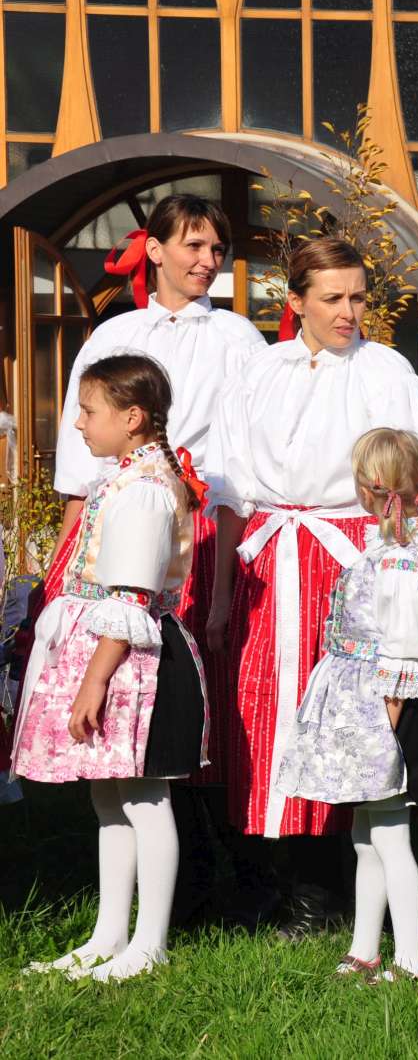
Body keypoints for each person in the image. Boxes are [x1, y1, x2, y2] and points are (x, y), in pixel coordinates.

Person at [209, 237, 418, 936]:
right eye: (333, 298)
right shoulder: (261, 371)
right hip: (270, 557)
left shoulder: (387, 372)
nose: (349, 312)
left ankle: (325, 887)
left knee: (345, 718)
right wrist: (221, 594)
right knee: (266, 712)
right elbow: (231, 488)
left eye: (359, 297)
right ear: (297, 302)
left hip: (351, 559)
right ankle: (265, 878)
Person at [40, 194, 267, 923]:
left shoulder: (237, 337)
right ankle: (155, 885)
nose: (207, 261)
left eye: (216, 248)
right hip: (120, 520)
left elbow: (244, 456)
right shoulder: (118, 333)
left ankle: (227, 871)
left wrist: (227, 577)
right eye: (193, 246)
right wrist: (62, 568)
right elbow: (81, 461)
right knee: (115, 697)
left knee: (189, 697)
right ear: (157, 250)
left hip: (202, 525)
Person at [12, 354, 209, 980]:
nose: (77, 423)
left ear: (132, 418)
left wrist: (94, 680)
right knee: (110, 797)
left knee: (145, 797)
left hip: (134, 662)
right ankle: (108, 935)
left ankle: (149, 943)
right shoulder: (123, 479)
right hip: (109, 653)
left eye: (88, 410)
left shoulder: (146, 489)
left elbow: (131, 596)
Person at [275, 428, 418, 981]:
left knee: (392, 839)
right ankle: (364, 948)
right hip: (372, 702)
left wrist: (383, 730)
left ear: (370, 489)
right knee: (366, 836)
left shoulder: (401, 557)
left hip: (389, 710)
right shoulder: (396, 547)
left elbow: (403, 648)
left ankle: (410, 960)